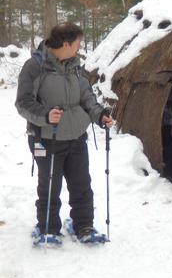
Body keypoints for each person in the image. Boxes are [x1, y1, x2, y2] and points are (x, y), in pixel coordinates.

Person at [15, 22, 113, 245]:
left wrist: (100, 116)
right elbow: (22, 103)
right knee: (50, 185)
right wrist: (46, 115)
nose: (79, 47)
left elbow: (88, 98)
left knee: (81, 184)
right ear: (66, 44)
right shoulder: (34, 67)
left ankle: (84, 225)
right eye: (77, 43)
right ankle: (48, 228)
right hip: (45, 139)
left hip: (76, 137)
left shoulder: (77, 67)